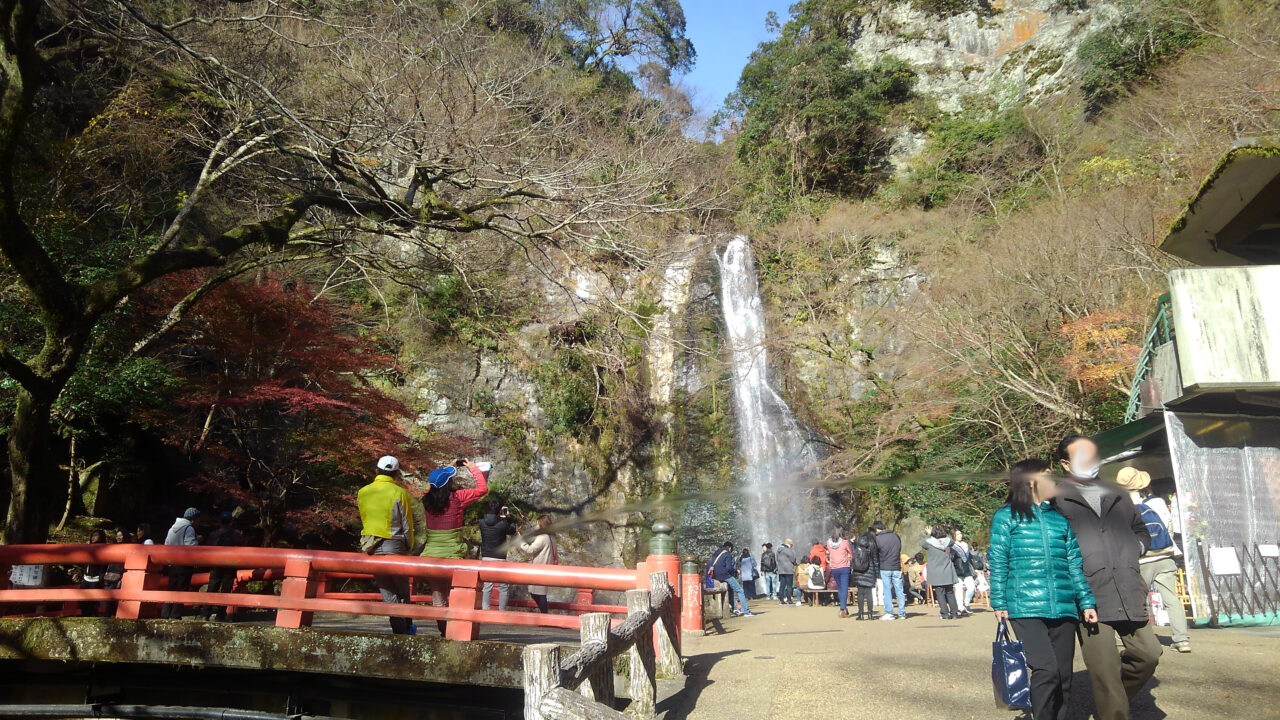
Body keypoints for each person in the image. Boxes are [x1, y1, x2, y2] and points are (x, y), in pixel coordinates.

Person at [1053, 435, 1160, 720]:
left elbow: (1141, 530)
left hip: (1127, 585)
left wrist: (1135, 548)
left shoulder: (1117, 493)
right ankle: (1113, 710)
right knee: (1104, 669)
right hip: (1087, 593)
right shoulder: (1054, 498)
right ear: (1065, 463)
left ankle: (1114, 701)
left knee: (1149, 654)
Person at [990, 459, 1098, 720]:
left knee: (1063, 676)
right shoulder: (1006, 516)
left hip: (1063, 606)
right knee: (1046, 670)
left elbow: (1074, 564)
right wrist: (999, 602)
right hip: (1025, 605)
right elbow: (998, 559)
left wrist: (1086, 601)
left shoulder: (1060, 520)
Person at [1115, 467, 1190, 654]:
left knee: (1134, 600)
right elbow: (1168, 527)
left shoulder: (1120, 505)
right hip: (1165, 556)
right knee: (1172, 599)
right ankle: (1182, 640)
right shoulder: (1157, 502)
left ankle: (1128, 640)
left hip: (1141, 560)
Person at [422, 458, 489, 635]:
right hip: (453, 556)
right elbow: (483, 489)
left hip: (431, 558)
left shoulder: (426, 501)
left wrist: (448, 468)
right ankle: (456, 632)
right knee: (457, 595)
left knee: (438, 599)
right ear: (448, 483)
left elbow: (433, 487)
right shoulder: (458, 498)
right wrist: (472, 468)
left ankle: (444, 632)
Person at [358, 455, 417, 635]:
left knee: (387, 591)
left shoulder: (363, 492)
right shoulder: (399, 493)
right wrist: (410, 545)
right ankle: (406, 628)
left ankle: (397, 632)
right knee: (402, 590)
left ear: (376, 470)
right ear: (396, 474)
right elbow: (407, 524)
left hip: (372, 546)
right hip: (395, 544)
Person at [203, 511, 244, 621]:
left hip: (216, 565)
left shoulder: (214, 534)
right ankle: (220, 615)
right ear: (231, 521)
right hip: (230, 565)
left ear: (220, 521)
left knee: (212, 588)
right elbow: (241, 546)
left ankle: (206, 613)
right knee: (226, 589)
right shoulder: (236, 534)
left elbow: (208, 548)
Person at [478, 500, 518, 612]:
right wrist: (509, 518)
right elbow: (513, 531)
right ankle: (502, 611)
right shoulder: (503, 524)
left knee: (487, 586)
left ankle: (485, 610)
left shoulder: (481, 522)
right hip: (500, 557)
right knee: (503, 586)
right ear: (500, 510)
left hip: (486, 556)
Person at [161, 508, 200, 619]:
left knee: (171, 588)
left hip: (172, 563)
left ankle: (165, 613)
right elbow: (190, 546)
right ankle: (175, 614)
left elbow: (166, 544)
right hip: (184, 564)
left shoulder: (172, 528)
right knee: (181, 589)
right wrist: (198, 541)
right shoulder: (189, 528)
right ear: (193, 519)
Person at [519, 515, 558, 613]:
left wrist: (520, 541)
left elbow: (530, 550)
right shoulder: (552, 536)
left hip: (541, 568)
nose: (535, 526)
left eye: (537, 524)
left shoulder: (543, 537)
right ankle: (544, 614)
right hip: (548, 567)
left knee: (539, 593)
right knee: (539, 592)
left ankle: (544, 614)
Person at [922, 526, 960, 619]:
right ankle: (954, 613)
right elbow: (951, 541)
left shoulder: (928, 543)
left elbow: (923, 544)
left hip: (936, 571)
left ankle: (945, 614)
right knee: (950, 592)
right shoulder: (948, 542)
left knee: (940, 593)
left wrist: (929, 534)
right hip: (947, 570)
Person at [873, 521, 906, 620]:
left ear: (876, 529)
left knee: (887, 590)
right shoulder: (896, 536)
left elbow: (876, 553)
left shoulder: (877, 539)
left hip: (885, 567)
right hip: (896, 566)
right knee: (899, 590)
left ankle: (889, 613)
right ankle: (902, 613)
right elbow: (899, 549)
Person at [709, 542, 753, 617]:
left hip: (716, 576)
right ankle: (746, 611)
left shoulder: (716, 553)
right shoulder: (727, 554)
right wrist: (736, 571)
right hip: (725, 575)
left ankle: (734, 608)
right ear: (729, 547)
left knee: (730, 590)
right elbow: (729, 567)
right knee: (740, 590)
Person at [851, 529, 880, 620]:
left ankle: (860, 614)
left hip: (859, 571)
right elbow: (875, 560)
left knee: (860, 594)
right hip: (870, 571)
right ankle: (870, 614)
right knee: (869, 594)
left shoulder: (858, 544)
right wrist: (876, 573)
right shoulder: (872, 544)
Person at [79, 529, 108, 618]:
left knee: (92, 601)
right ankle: (84, 616)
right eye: (92, 535)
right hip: (86, 577)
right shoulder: (88, 547)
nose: (93, 538)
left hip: (96, 578)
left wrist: (101, 577)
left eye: (96, 535)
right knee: (81, 600)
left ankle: (91, 617)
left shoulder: (104, 548)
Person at [827, 530, 854, 617]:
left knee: (840, 588)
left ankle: (843, 608)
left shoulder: (828, 543)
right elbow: (851, 553)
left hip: (834, 568)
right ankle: (842, 609)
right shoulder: (845, 542)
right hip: (844, 567)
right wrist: (849, 558)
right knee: (844, 588)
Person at [950, 529, 975, 617]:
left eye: (960, 533)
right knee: (959, 589)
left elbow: (970, 558)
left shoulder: (965, 545)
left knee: (972, 587)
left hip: (967, 570)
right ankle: (960, 607)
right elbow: (951, 559)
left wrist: (974, 568)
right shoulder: (952, 546)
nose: (960, 535)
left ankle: (966, 603)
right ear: (953, 536)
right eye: (957, 534)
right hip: (957, 570)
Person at [775, 538, 798, 606]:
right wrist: (794, 563)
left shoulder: (778, 550)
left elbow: (777, 559)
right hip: (788, 570)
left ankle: (781, 600)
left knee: (782, 585)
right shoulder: (788, 550)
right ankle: (789, 600)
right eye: (791, 545)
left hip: (781, 570)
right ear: (789, 544)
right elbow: (793, 559)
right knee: (789, 586)